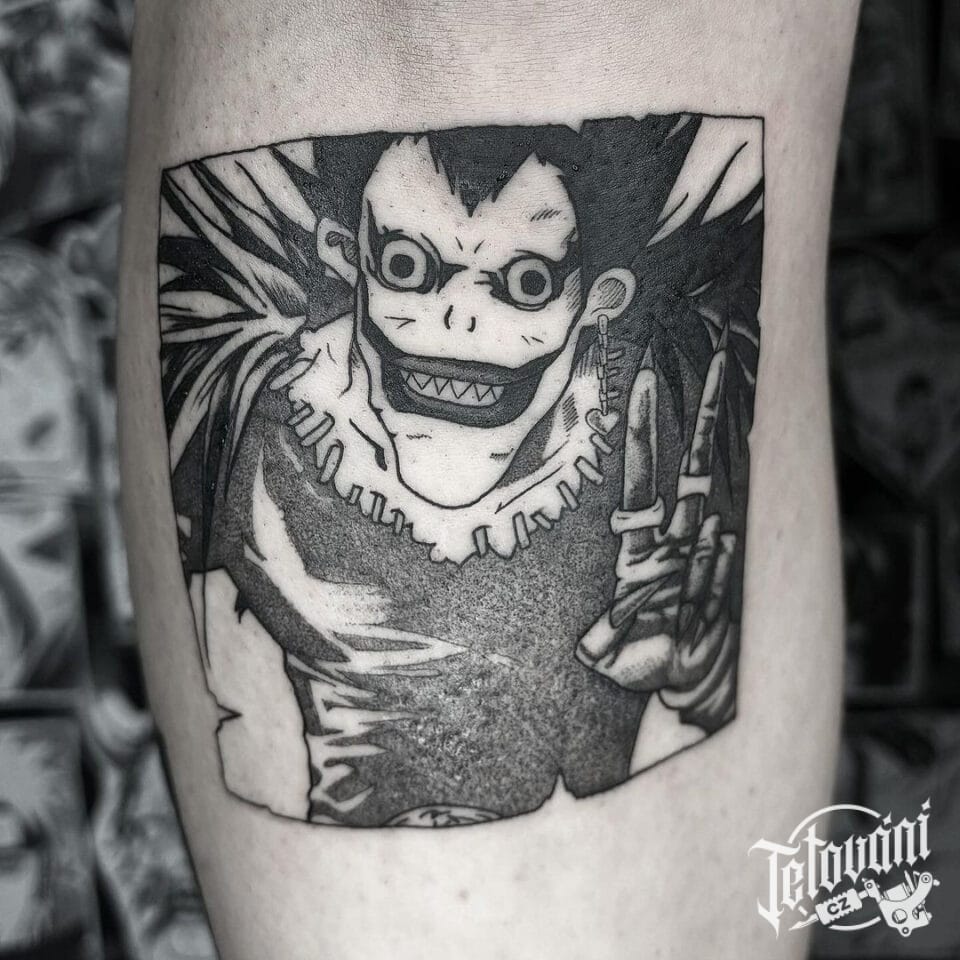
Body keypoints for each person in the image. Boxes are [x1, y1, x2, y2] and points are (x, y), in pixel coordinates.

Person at [118, 1, 859, 956]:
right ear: (345, 264)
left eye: (524, 284)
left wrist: (701, 665)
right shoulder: (256, 422)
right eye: (407, 265)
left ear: (599, 303)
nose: (460, 320)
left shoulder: (658, 415)